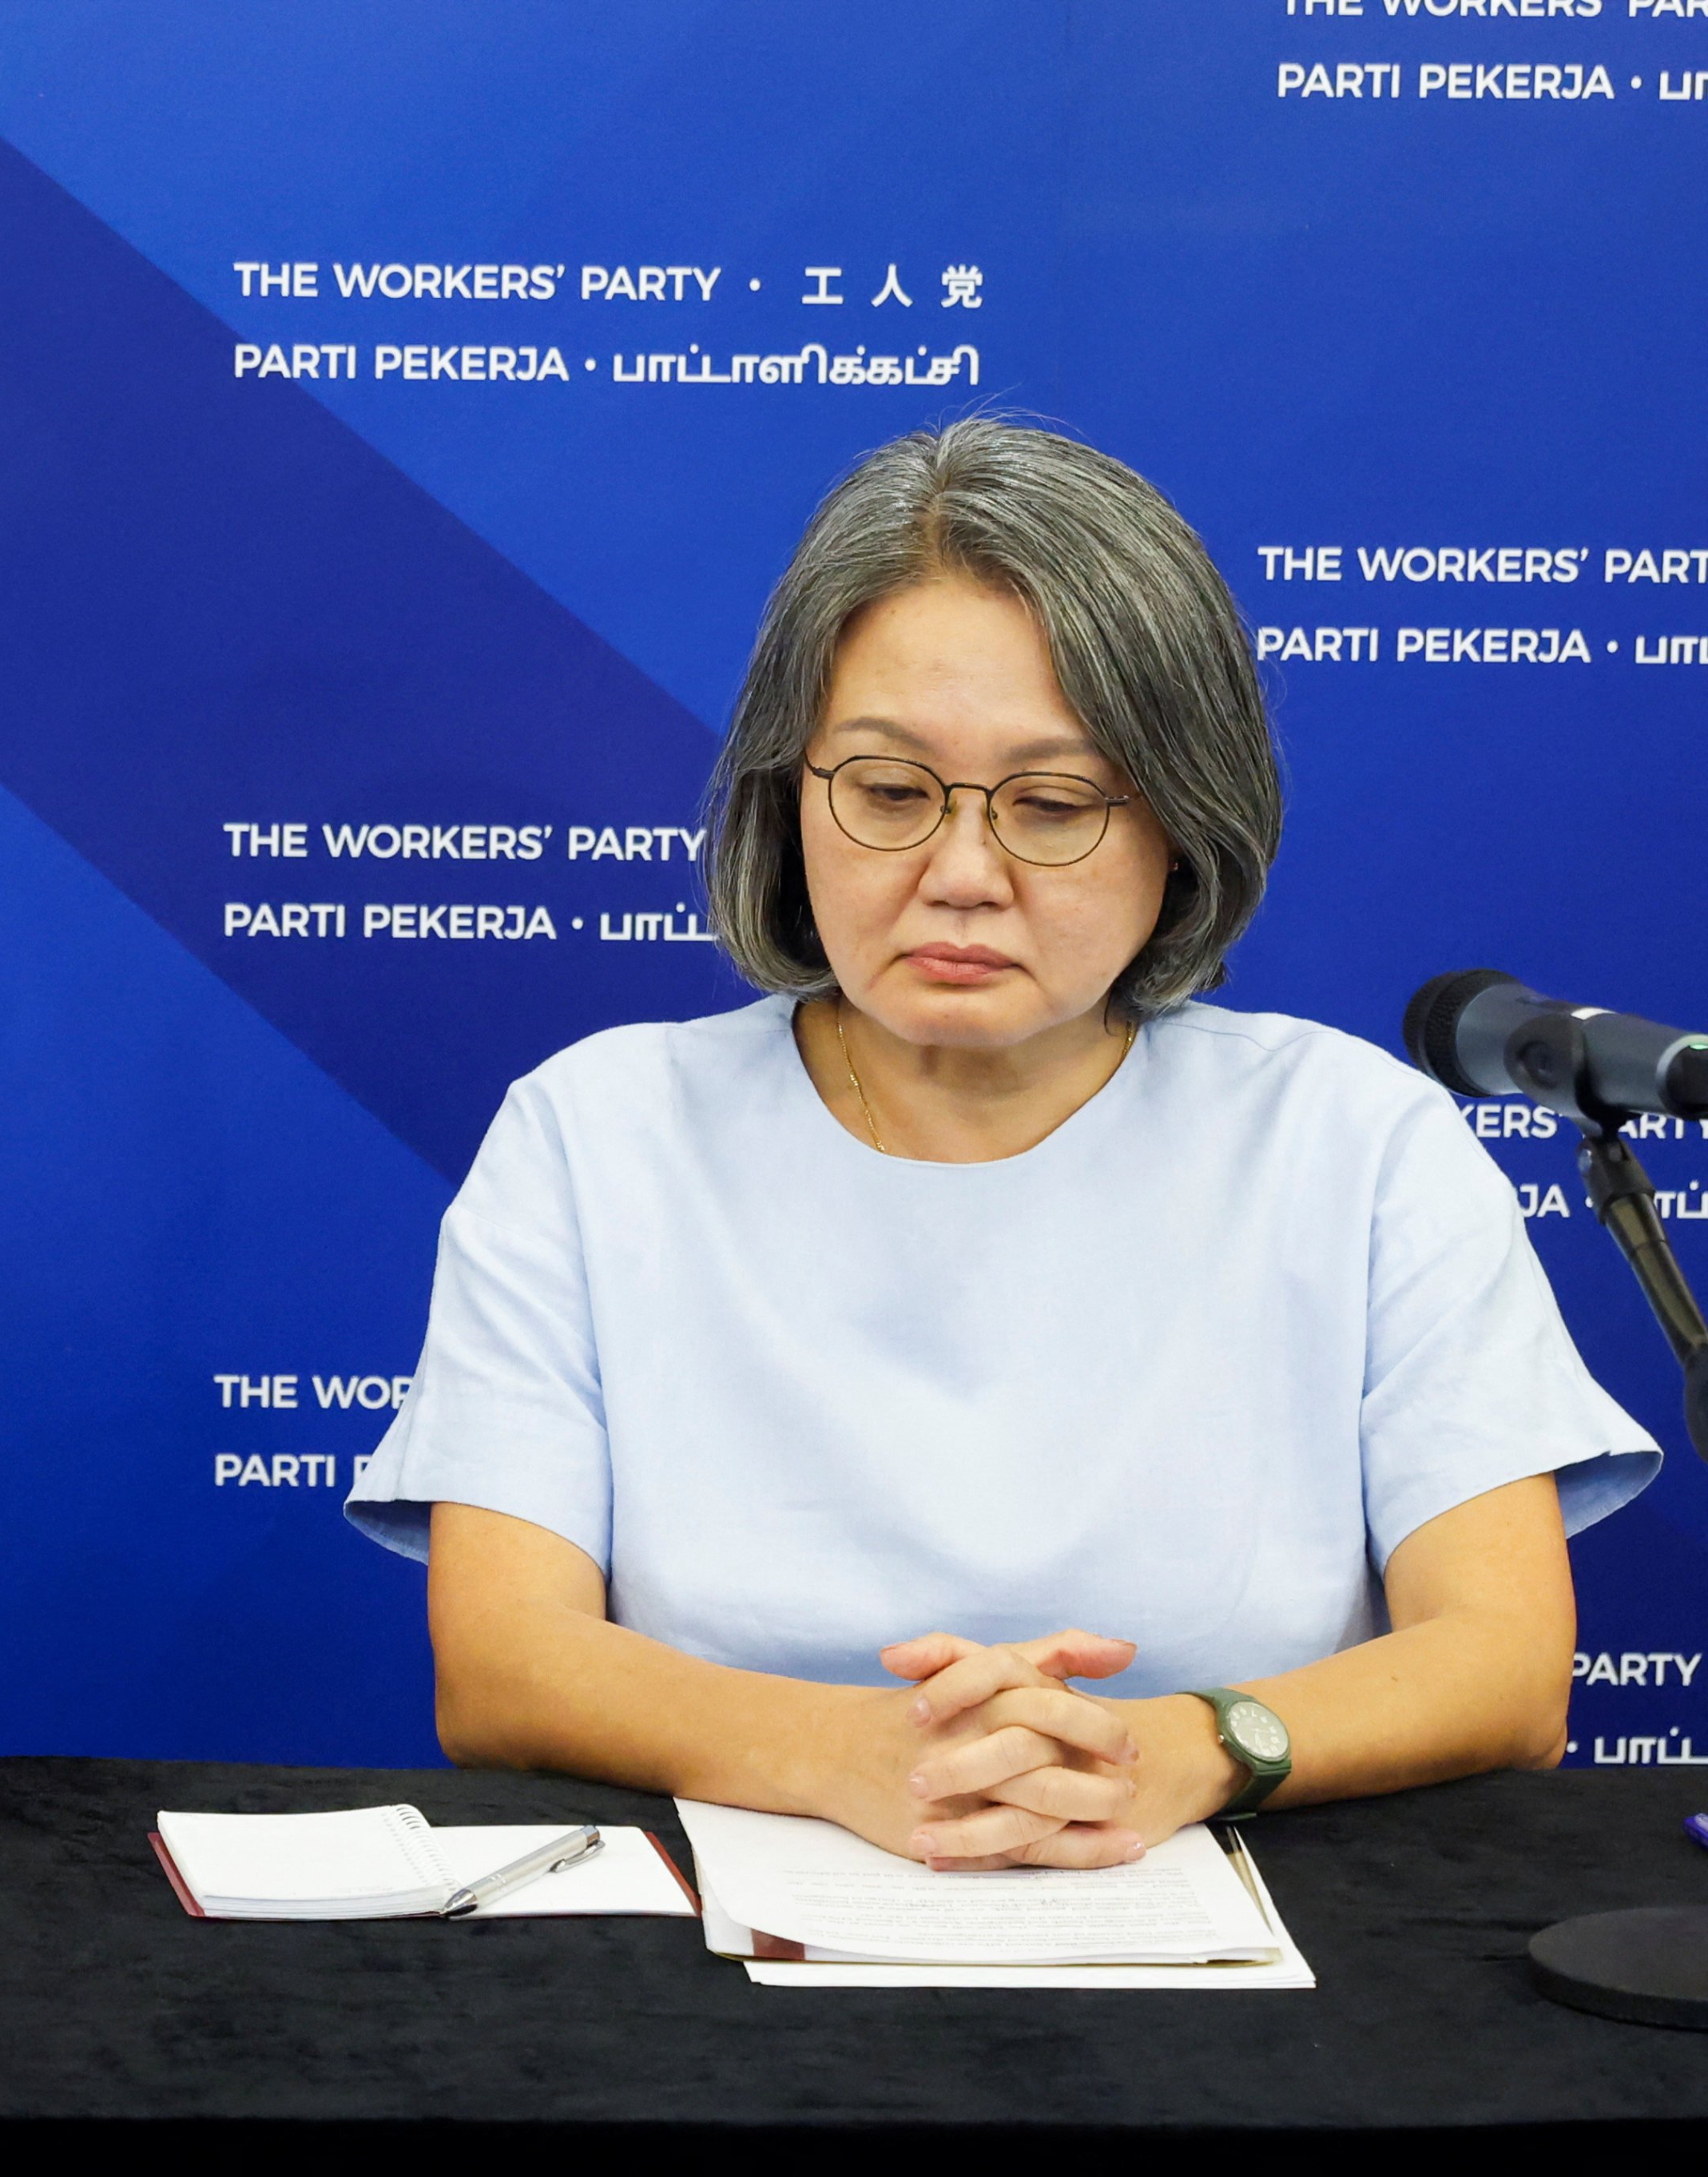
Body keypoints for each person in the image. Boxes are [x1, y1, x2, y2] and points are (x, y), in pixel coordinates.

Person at [347, 419, 1657, 1870]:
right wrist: (852, 1756)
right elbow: (502, 1663)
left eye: (1052, 804)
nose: (961, 876)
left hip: (1244, 1942)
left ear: (1183, 824)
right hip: (719, 1949)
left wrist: (1185, 1749)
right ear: (792, 795)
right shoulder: (597, 1132)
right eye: (892, 791)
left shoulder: (1356, 1141)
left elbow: (1507, 1663)